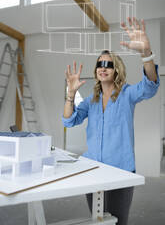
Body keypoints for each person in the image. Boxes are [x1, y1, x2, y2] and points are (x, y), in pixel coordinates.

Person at [62, 17, 160, 225]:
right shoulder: (91, 101)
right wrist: (70, 94)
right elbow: (69, 120)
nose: (103, 67)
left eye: (109, 64)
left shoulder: (127, 94)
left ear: (117, 70)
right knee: (97, 220)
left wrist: (145, 54)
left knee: (118, 221)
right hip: (92, 168)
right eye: (100, 64)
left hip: (121, 169)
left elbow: (150, 85)